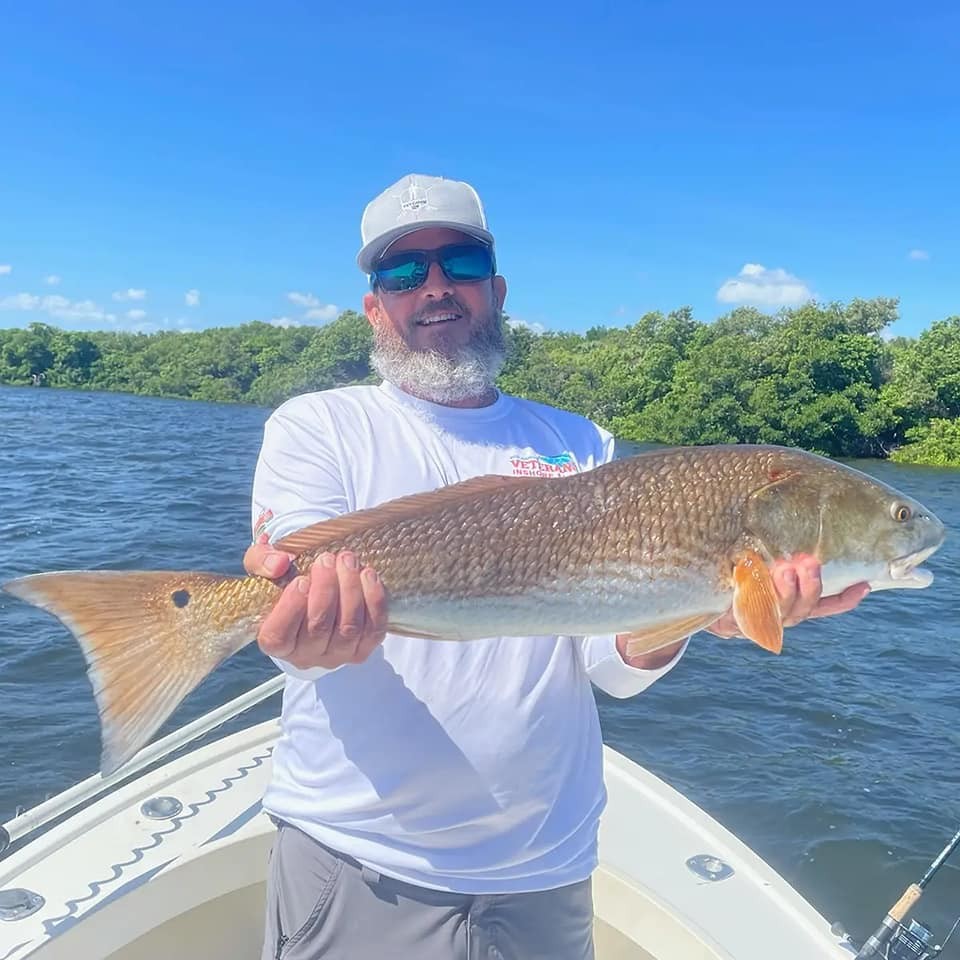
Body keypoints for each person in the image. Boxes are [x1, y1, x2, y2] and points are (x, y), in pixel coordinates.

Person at [244, 173, 870, 960]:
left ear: (496, 289)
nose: (435, 287)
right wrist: (296, 631)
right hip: (363, 858)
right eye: (403, 273)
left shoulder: (581, 442)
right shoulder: (318, 424)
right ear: (374, 306)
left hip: (548, 868)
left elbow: (607, 662)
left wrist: (700, 612)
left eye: (459, 264)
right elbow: (292, 597)